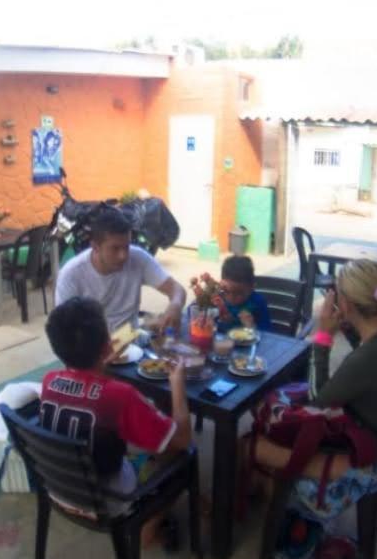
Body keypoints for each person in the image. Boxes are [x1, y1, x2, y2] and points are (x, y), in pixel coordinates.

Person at [252, 260, 377, 559]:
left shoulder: (372, 358)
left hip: (365, 453)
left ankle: (281, 502)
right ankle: (277, 495)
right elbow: (364, 350)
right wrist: (344, 326)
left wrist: (323, 337)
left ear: (346, 303)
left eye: (337, 294)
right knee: (276, 418)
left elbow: (319, 399)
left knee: (254, 445)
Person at [39, 297, 192, 507]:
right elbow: (182, 439)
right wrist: (177, 384)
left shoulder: (49, 380)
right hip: (105, 500)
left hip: (59, 489)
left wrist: (103, 363)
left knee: (133, 439)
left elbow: (90, 394)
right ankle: (148, 527)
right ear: (107, 346)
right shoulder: (120, 396)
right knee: (176, 451)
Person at [54, 206, 187, 331]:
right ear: (95, 247)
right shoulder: (71, 274)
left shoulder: (138, 258)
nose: (123, 255)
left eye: (126, 246)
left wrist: (175, 305)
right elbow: (63, 329)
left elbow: (177, 290)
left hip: (132, 344)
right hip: (92, 348)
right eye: (115, 248)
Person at [215, 254, 273, 332]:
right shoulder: (218, 298)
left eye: (239, 293)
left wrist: (252, 327)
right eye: (227, 291)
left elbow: (267, 334)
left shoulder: (258, 302)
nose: (232, 297)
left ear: (252, 288)